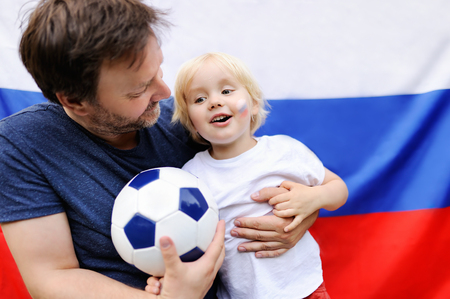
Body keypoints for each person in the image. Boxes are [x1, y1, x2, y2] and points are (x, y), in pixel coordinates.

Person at [0, 1, 323, 298]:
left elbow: (270, 173)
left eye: (159, 70)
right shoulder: (20, 145)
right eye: (140, 89)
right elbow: (50, 276)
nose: (165, 92)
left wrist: (298, 215)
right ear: (74, 101)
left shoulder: (186, 121)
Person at [147, 52, 348, 298]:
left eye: (227, 91)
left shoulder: (285, 150)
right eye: (200, 99)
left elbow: (338, 189)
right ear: (191, 121)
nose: (214, 102)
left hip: (304, 290)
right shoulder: (191, 177)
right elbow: (184, 234)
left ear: (253, 103)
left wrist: (313, 198)